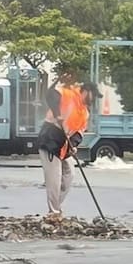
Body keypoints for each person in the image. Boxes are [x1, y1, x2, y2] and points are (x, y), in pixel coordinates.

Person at [37, 81, 93, 220]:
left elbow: (79, 132)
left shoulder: (85, 112)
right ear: (85, 91)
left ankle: (56, 206)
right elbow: (50, 94)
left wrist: (73, 144)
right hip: (50, 139)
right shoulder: (69, 95)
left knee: (69, 175)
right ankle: (54, 212)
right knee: (54, 179)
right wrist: (57, 114)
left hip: (65, 145)